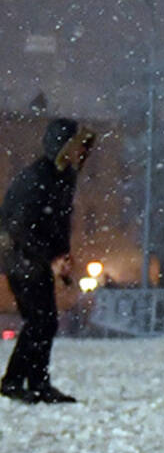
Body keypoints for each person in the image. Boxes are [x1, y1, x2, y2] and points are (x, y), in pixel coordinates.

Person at [0, 117, 95, 403]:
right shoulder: (38, 177)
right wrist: (50, 257)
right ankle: (16, 382)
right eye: (77, 145)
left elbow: (58, 223)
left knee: (44, 321)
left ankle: (36, 383)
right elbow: (21, 226)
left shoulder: (63, 177)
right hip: (20, 256)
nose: (82, 152)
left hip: (34, 257)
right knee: (41, 321)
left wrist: (62, 258)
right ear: (62, 146)